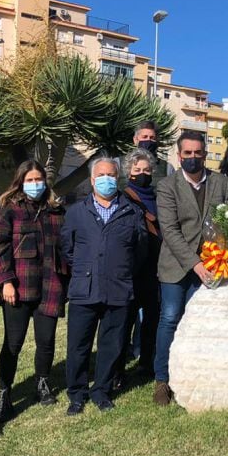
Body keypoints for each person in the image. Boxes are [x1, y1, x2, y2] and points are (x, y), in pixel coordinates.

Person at [60, 157, 147, 414]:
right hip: (83, 289)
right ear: (92, 180)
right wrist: (85, 269)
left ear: (117, 178)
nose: (107, 179)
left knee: (112, 344)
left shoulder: (132, 211)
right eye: (101, 175)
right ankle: (77, 393)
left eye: (111, 175)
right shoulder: (76, 212)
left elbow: (139, 250)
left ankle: (102, 391)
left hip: (118, 287)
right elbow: (68, 248)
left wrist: (120, 270)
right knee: (78, 345)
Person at [153, 130, 228, 406]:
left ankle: (193, 375)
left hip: (213, 266)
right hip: (176, 266)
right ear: (179, 155)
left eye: (198, 153)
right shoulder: (167, 186)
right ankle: (162, 380)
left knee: (199, 323)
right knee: (171, 319)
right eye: (187, 153)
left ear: (205, 154)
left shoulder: (221, 183)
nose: (193, 158)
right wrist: (195, 263)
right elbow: (170, 231)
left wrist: (223, 255)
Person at [0, 160, 68, 419]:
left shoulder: (56, 211)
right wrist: (6, 281)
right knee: (13, 343)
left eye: (39, 180)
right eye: (30, 180)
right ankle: (4, 391)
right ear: (21, 182)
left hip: (50, 286)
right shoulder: (9, 211)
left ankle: (42, 383)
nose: (35, 184)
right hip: (19, 287)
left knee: (46, 341)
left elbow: (67, 249)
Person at [115, 146, 162, 384]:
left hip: (155, 268)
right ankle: (118, 367)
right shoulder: (123, 197)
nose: (142, 173)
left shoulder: (159, 197)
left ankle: (146, 363)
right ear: (128, 172)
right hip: (132, 269)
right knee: (126, 318)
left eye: (146, 169)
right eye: (136, 169)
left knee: (152, 318)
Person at [133, 120, 173, 187]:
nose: (148, 140)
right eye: (144, 137)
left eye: (152, 138)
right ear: (135, 140)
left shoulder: (167, 168)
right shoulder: (119, 164)